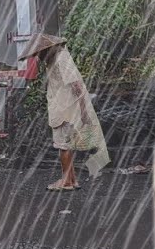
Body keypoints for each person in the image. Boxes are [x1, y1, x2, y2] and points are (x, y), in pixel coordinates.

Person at [20, 34, 111, 192]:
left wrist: (83, 112)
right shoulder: (54, 60)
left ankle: (66, 182)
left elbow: (77, 86)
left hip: (66, 110)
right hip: (63, 108)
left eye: (39, 54)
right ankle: (71, 180)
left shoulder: (61, 58)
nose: (38, 58)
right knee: (66, 145)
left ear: (46, 50)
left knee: (63, 146)